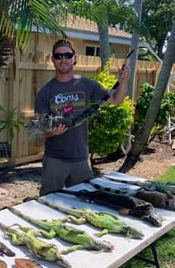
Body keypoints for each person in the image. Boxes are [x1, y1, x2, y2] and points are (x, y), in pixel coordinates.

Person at [34, 38, 131, 196]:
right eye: (58, 56)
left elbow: (116, 99)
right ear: (52, 60)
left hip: (81, 160)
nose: (63, 59)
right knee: (48, 203)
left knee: (85, 202)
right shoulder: (44, 93)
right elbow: (38, 131)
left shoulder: (86, 85)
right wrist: (52, 132)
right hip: (54, 161)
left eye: (67, 55)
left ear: (74, 58)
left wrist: (124, 80)